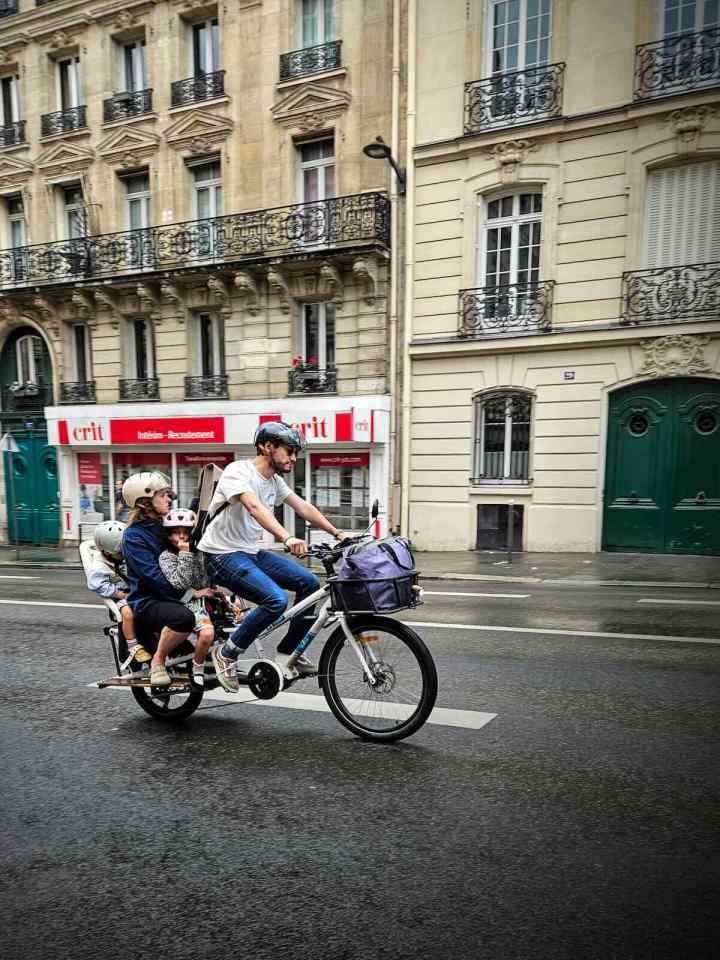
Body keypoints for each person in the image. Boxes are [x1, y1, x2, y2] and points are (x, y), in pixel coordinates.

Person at [199, 421, 342, 693]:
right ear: (267, 447)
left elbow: (303, 507)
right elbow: (253, 506)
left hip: (249, 553)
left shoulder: (275, 482)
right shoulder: (238, 471)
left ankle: (289, 652)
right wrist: (286, 537)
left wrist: (338, 533)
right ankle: (227, 653)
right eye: (289, 451)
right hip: (222, 554)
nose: (293, 458)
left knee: (309, 583)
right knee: (275, 599)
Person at [121, 472, 215, 687]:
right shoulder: (134, 537)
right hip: (149, 600)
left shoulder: (167, 524)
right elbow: (154, 578)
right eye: (163, 495)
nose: (169, 499)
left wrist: (204, 491)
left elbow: (192, 520)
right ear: (145, 503)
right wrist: (190, 594)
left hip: (176, 592)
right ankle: (158, 661)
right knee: (183, 618)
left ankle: (209, 657)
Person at [158, 508, 217, 688]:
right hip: (188, 602)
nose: (182, 537)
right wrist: (184, 554)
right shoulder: (166, 557)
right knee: (207, 634)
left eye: (186, 533)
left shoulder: (200, 552)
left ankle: (217, 660)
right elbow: (179, 583)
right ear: (168, 536)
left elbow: (207, 577)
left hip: (208, 599)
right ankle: (196, 668)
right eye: (176, 533)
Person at [85, 520, 151, 666]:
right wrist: (118, 593)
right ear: (108, 551)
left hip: (134, 591)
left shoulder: (122, 559)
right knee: (128, 614)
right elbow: (96, 585)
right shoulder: (98, 567)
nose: (124, 554)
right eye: (121, 552)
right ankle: (133, 647)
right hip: (119, 596)